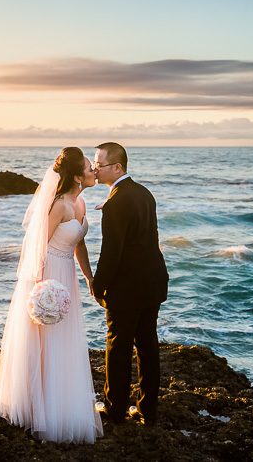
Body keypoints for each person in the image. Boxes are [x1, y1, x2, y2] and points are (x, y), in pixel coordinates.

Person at [0, 147, 104, 443]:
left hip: (68, 274)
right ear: (78, 176)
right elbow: (37, 247)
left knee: (65, 342)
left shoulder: (79, 203)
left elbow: (78, 244)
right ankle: (40, 412)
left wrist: (89, 276)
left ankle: (63, 402)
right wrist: (40, 289)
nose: (95, 170)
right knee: (45, 343)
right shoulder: (58, 206)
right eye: (89, 167)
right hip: (49, 278)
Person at [90, 142, 169, 426]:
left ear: (117, 167)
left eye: (100, 164)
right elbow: (143, 236)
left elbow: (111, 253)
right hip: (153, 282)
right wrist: (108, 209)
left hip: (126, 289)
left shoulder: (116, 203)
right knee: (148, 346)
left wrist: (98, 287)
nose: (95, 169)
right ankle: (147, 410)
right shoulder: (143, 193)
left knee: (118, 348)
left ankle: (115, 409)